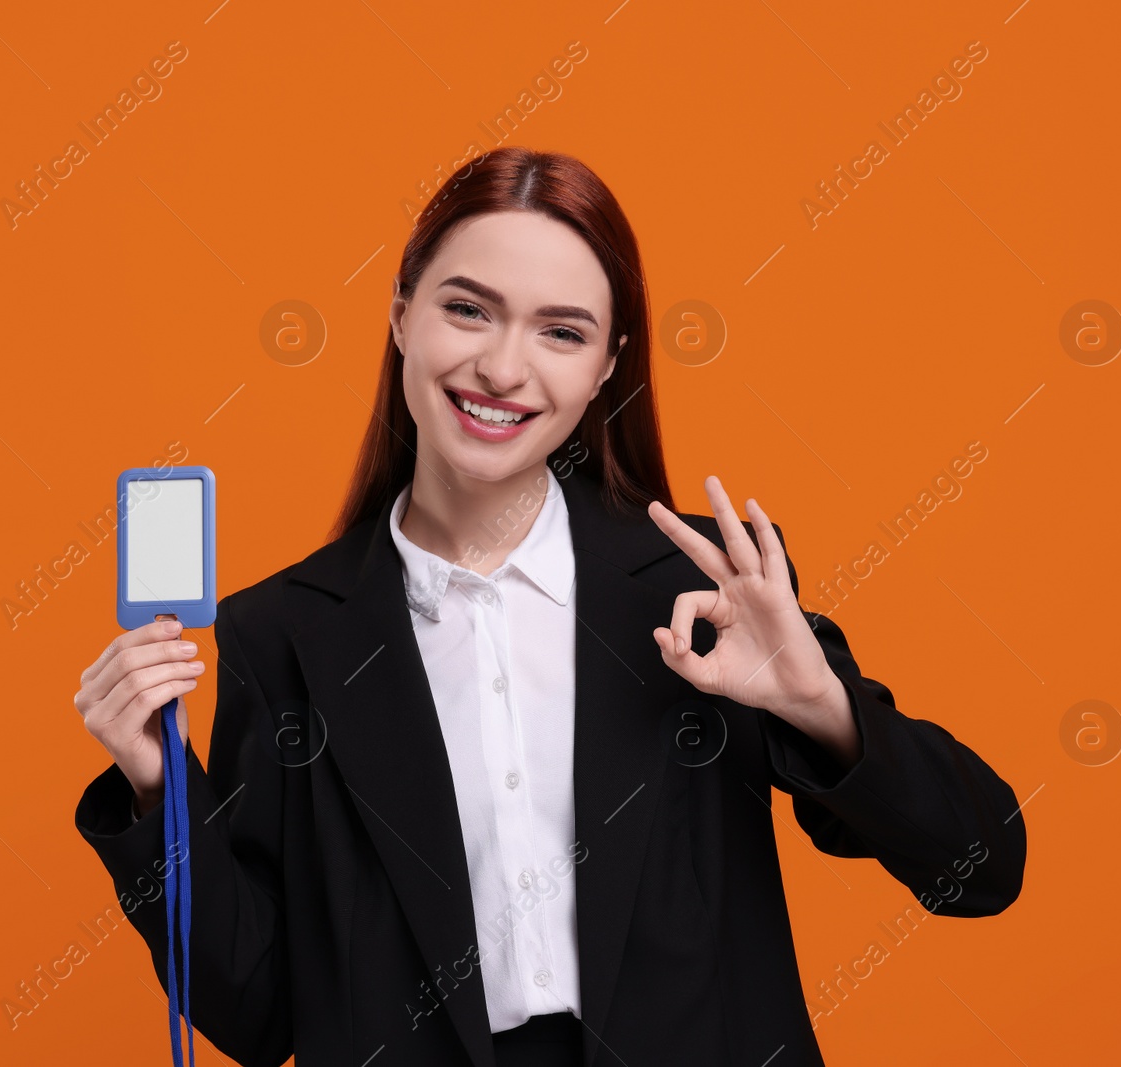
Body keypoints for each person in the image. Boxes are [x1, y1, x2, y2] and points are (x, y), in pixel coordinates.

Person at [72, 146, 1027, 1067]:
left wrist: (818, 703)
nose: (502, 368)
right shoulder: (283, 632)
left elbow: (983, 866)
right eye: (467, 310)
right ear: (402, 317)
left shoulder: (706, 589)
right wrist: (163, 795)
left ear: (608, 364)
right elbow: (260, 1009)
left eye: (560, 331)